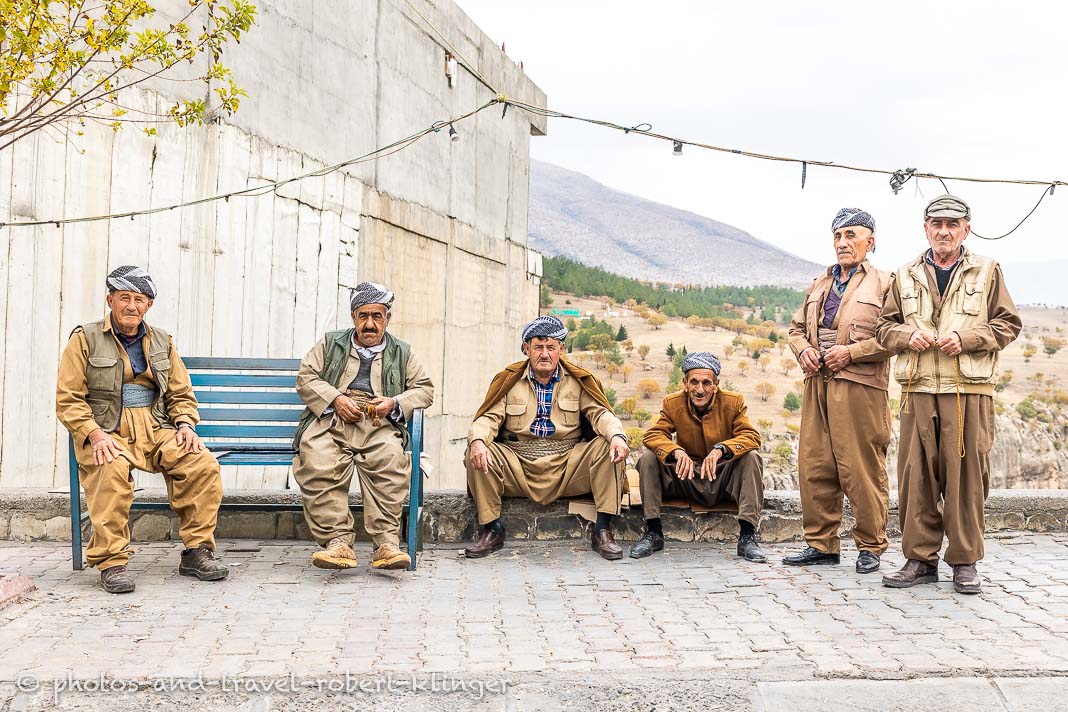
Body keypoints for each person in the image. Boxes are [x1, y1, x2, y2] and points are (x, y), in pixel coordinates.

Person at [877, 195, 1021, 594]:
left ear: (966, 229)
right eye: (936, 223)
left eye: (952, 224)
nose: (943, 231)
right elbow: (884, 329)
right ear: (925, 228)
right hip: (917, 389)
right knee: (915, 478)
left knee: (967, 478)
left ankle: (964, 561)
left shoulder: (988, 270)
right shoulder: (904, 274)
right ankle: (919, 560)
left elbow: (1008, 325)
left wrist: (968, 338)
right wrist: (909, 334)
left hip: (967, 389)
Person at [56, 266, 228, 594]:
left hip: (156, 426)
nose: (132, 306)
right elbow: (68, 398)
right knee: (109, 470)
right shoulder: (85, 338)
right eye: (124, 298)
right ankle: (111, 562)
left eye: (139, 299)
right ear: (110, 300)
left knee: (201, 465)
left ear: (148, 305)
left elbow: (180, 393)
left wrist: (185, 425)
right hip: (109, 429)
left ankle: (197, 551)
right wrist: (93, 434)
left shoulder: (162, 340)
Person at [292, 282, 434, 571]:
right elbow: (306, 378)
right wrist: (335, 398)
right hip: (331, 420)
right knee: (319, 461)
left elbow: (424, 390)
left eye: (377, 316)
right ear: (354, 317)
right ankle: (337, 543)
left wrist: (394, 403)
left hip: (378, 424)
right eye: (363, 316)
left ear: (387, 318)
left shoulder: (402, 352)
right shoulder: (331, 343)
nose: (370, 324)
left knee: (390, 461)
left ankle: (386, 544)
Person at [782, 208, 894, 574]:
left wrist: (852, 352)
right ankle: (821, 544)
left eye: (851, 235)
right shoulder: (819, 282)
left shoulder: (885, 283)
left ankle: (871, 545)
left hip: (860, 386)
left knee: (860, 466)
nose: (843, 243)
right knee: (815, 465)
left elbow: (894, 337)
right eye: (838, 236)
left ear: (869, 241)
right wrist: (804, 351)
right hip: (817, 382)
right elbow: (796, 328)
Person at [464, 316, 630, 560]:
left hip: (568, 465)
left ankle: (603, 529)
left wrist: (617, 435)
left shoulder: (579, 381)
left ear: (561, 349)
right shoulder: (508, 381)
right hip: (518, 464)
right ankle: (491, 529)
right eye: (538, 347)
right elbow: (488, 419)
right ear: (526, 349)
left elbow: (600, 414)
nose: (544, 354)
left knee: (607, 446)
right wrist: (477, 441)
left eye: (551, 347)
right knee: (477, 450)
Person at [634, 352, 766, 561]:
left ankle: (747, 537)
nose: (700, 389)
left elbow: (751, 436)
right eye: (694, 382)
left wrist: (721, 449)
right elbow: (653, 434)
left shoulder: (734, 402)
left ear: (716, 384)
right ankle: (653, 531)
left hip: (721, 477)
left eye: (706, 382)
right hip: (686, 476)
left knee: (752, 457)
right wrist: (676, 451)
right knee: (648, 458)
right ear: (685, 383)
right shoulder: (672, 403)